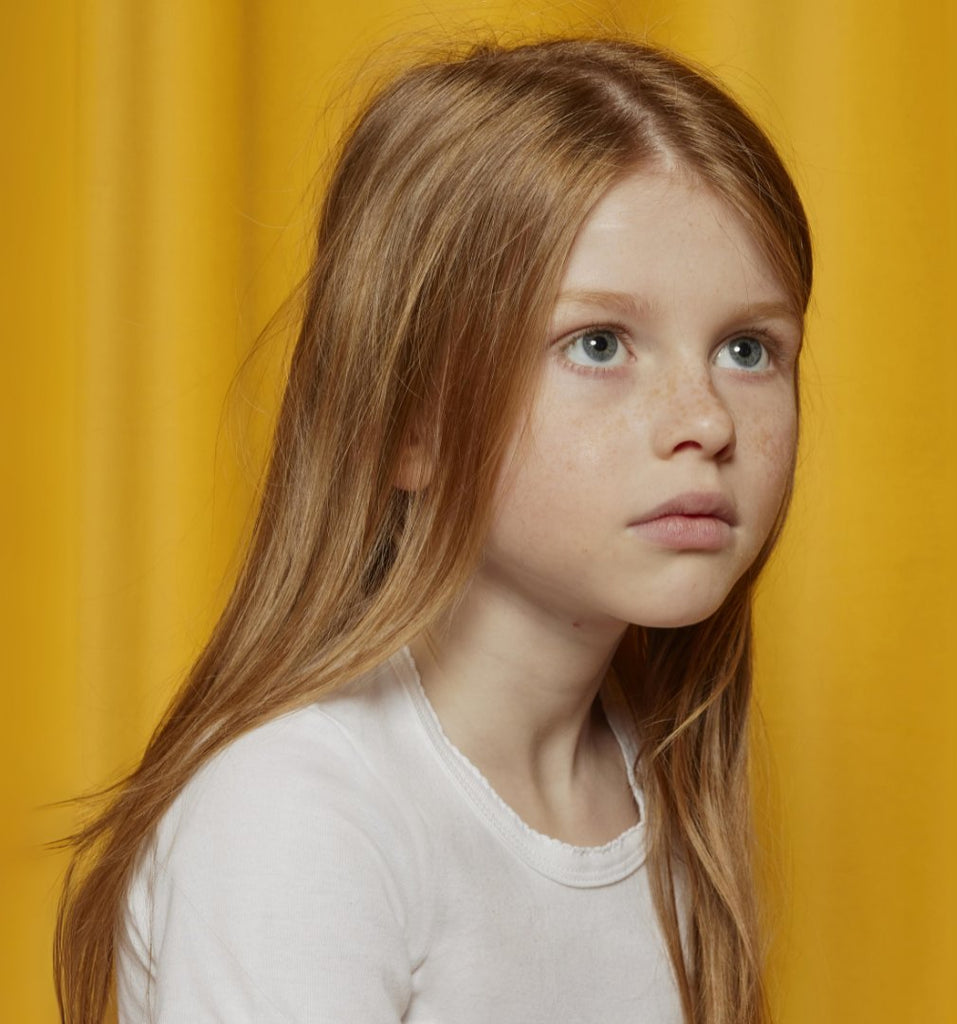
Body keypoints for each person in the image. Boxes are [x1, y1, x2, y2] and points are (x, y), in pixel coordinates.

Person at [53, 35, 812, 1024]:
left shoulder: (656, 798)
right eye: (596, 343)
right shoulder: (302, 816)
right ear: (406, 421)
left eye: (747, 348)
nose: (706, 421)